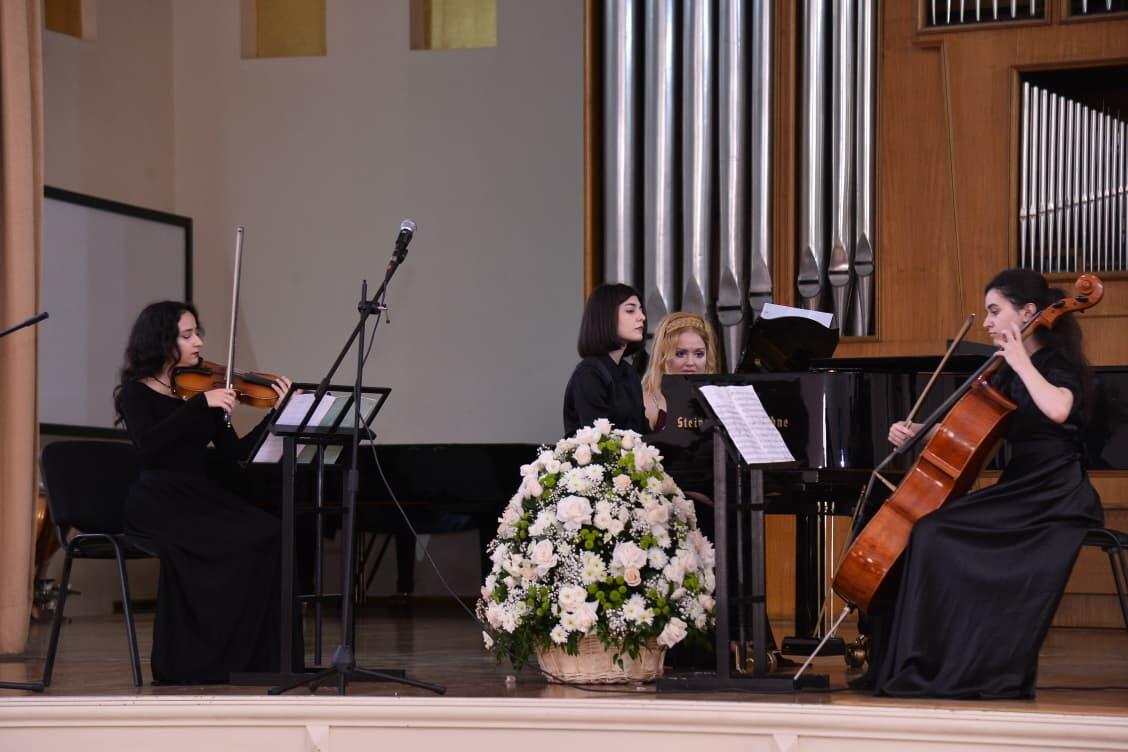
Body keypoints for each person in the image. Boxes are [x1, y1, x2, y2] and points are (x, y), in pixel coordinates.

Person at [855, 268, 1103, 699]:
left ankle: (949, 665)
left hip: (1055, 495)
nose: (986, 322)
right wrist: (920, 432)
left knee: (935, 533)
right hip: (1021, 486)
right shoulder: (1007, 371)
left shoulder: (1056, 366)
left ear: (1028, 312)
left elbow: (1059, 409)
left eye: (995, 311)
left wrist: (1021, 361)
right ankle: (908, 662)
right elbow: (974, 431)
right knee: (927, 528)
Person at [113, 300, 298, 684]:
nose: (198, 342)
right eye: (186, 335)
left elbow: (236, 457)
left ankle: (257, 660)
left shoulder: (208, 393)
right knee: (223, 545)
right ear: (161, 340)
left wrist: (276, 416)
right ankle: (197, 660)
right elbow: (149, 448)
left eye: (198, 333)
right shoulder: (135, 394)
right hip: (157, 501)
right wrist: (200, 405)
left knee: (270, 532)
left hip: (200, 496)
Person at [562, 283, 649, 436]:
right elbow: (599, 439)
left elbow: (643, 432)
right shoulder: (589, 373)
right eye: (630, 310)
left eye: (641, 309)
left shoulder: (630, 374)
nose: (642, 317)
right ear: (606, 316)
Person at [641, 312, 720, 431]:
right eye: (680, 353)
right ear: (662, 355)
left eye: (699, 354)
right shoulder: (646, 401)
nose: (690, 362)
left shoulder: (719, 400)